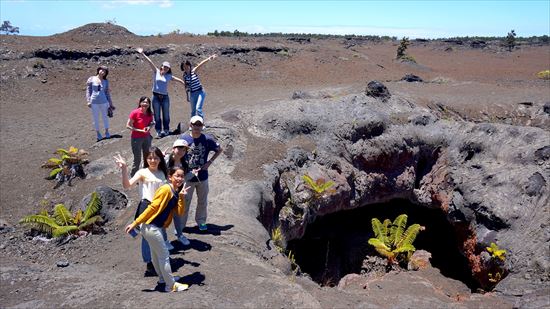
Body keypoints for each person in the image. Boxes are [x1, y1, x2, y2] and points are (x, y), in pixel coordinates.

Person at [125, 166, 191, 292]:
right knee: (164, 255)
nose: (180, 178)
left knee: (156, 255)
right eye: (177, 175)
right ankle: (170, 285)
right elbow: (152, 207)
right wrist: (135, 223)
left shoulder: (175, 191)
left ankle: (163, 279)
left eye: (182, 176)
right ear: (170, 177)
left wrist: (182, 197)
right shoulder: (166, 189)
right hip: (151, 226)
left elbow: (180, 212)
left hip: (155, 227)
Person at [113, 147, 174, 277]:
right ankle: (149, 263)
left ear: (160, 159)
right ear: (146, 159)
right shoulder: (142, 172)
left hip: (160, 209)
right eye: (150, 158)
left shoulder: (163, 172)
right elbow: (127, 185)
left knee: (161, 235)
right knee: (147, 238)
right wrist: (124, 169)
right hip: (147, 208)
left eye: (156, 158)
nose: (152, 160)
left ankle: (158, 261)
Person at [174, 115, 222, 238]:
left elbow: (219, 149)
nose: (197, 127)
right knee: (184, 201)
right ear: (190, 125)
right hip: (187, 177)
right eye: (195, 125)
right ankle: (181, 225)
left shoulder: (207, 139)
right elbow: (176, 153)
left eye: (199, 125)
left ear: (202, 126)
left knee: (202, 201)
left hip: (203, 177)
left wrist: (209, 162)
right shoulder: (184, 139)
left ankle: (201, 222)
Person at [136, 47, 185, 138]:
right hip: (155, 97)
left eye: (167, 67)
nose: (166, 68)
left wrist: (183, 83)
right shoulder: (156, 72)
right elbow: (150, 62)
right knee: (157, 116)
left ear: (169, 69)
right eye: (164, 66)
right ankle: (159, 131)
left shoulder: (169, 76)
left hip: (165, 97)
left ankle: (166, 130)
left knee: (166, 115)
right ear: (162, 66)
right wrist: (143, 54)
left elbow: (176, 79)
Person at [164, 139, 191, 245]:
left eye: (184, 150)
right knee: (164, 217)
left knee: (178, 215)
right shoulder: (165, 160)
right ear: (173, 149)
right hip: (166, 192)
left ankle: (179, 235)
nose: (181, 151)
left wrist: (192, 174)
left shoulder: (184, 163)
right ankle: (165, 240)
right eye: (179, 148)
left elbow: (184, 178)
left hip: (178, 193)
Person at [181, 54, 217, 121]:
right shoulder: (184, 76)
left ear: (189, 66)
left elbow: (201, 64)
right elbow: (186, 86)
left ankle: (202, 123)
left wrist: (209, 58)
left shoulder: (194, 71)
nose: (186, 68)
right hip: (192, 94)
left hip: (200, 92)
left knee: (198, 108)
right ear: (182, 68)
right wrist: (187, 96)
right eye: (184, 67)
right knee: (193, 111)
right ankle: (192, 124)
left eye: (187, 66)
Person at [127, 96, 154, 177]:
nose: (145, 104)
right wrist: (140, 130)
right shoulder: (135, 113)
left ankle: (145, 174)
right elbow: (128, 126)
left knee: (147, 156)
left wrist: (149, 127)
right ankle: (133, 176)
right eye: (143, 102)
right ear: (140, 103)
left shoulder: (149, 113)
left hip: (147, 137)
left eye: (147, 102)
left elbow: (151, 123)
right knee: (137, 159)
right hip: (136, 138)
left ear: (149, 104)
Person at [86, 66, 115, 141]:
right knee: (96, 118)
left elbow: (107, 93)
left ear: (106, 74)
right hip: (94, 102)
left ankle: (107, 131)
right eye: (101, 70)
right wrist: (88, 101)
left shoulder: (106, 81)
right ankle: (98, 133)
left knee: (105, 117)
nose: (102, 72)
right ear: (98, 70)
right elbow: (88, 91)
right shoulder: (91, 79)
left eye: (104, 71)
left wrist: (110, 103)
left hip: (104, 101)